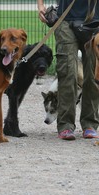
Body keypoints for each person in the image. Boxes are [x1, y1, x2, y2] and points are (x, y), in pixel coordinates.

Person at [37, 0, 99, 140]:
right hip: (65, 19)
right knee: (67, 73)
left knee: (93, 75)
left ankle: (90, 124)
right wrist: (40, 5)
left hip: (95, 20)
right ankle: (65, 126)